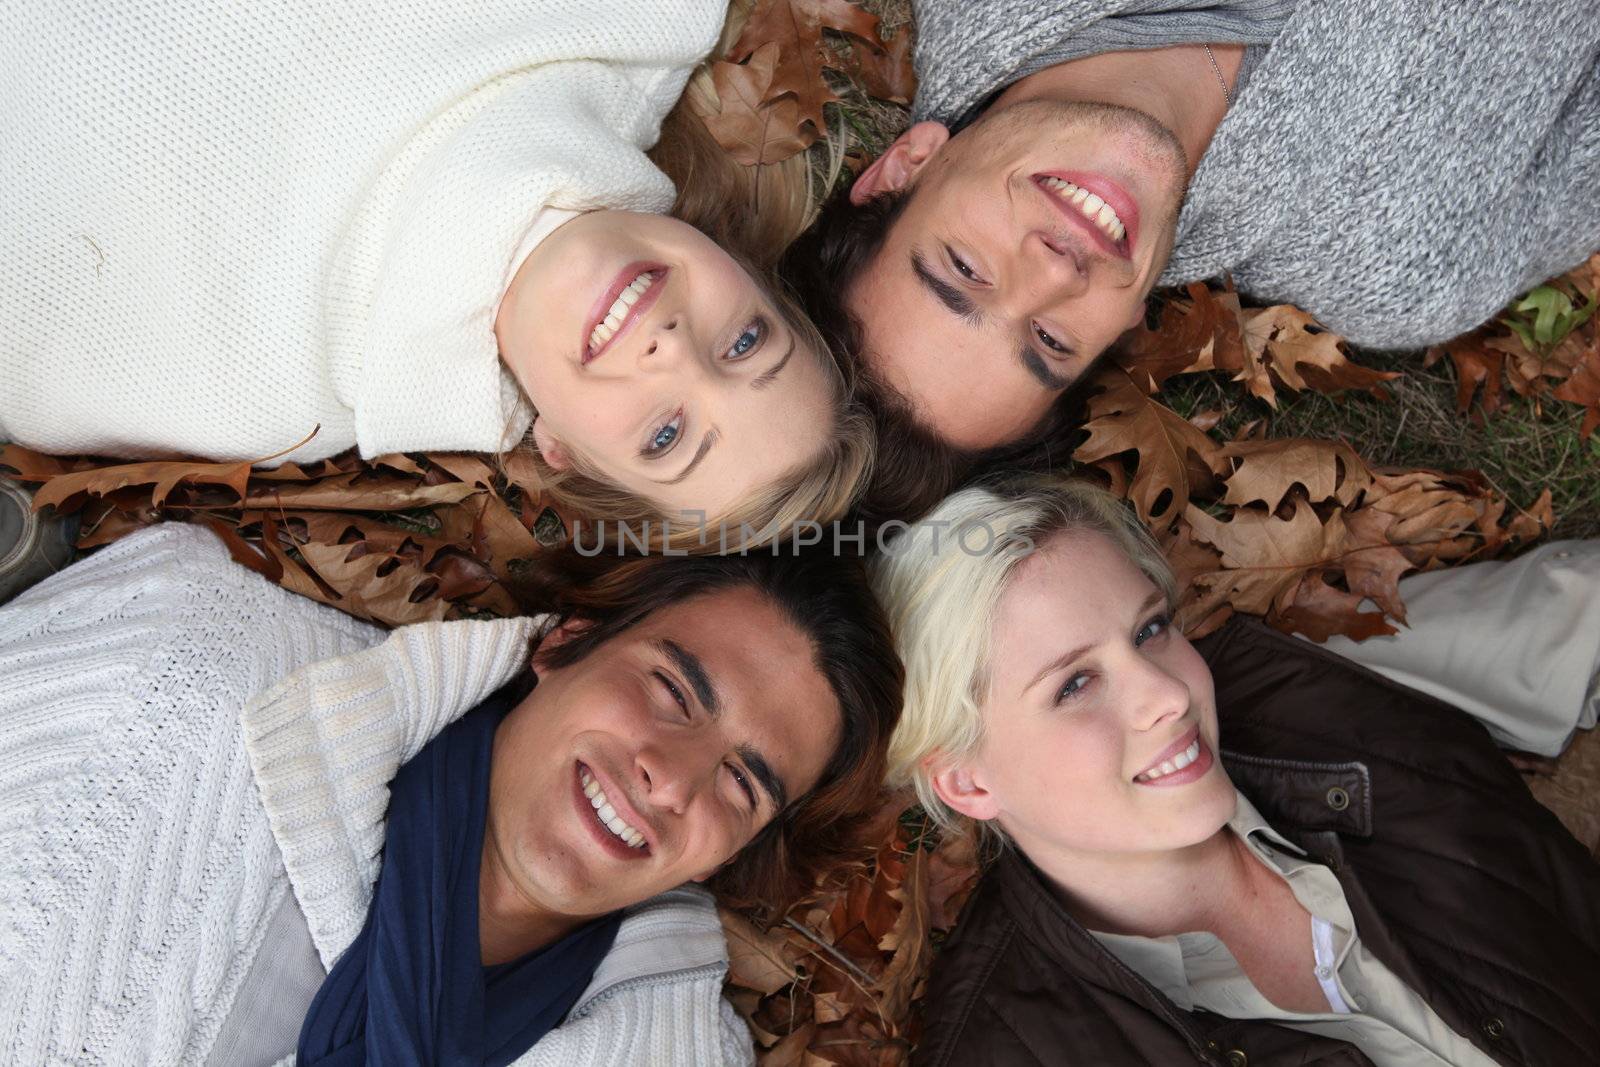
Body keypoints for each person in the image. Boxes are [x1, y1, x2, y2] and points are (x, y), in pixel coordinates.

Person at [0, 522, 902, 1065]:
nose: (671, 776)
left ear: (737, 849)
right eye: (671, 690)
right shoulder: (188, 655)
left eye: (742, 783)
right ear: (561, 645)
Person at [0, 0, 871, 551]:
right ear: (750, 269)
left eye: (665, 438)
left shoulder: (258, 392)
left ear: (560, 451)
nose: (674, 349)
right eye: (748, 340)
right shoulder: (640, 17)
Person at [871, 477, 1600, 1067]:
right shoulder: (1011, 1048)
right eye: (1074, 685)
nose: (1169, 693)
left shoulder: (1319, 694)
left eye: (1151, 629)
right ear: (967, 783)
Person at [782, 0, 1599, 508]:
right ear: (1125, 325)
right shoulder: (1404, 261)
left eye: (965, 270)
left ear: (905, 166)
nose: (1057, 272)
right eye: (1051, 342)